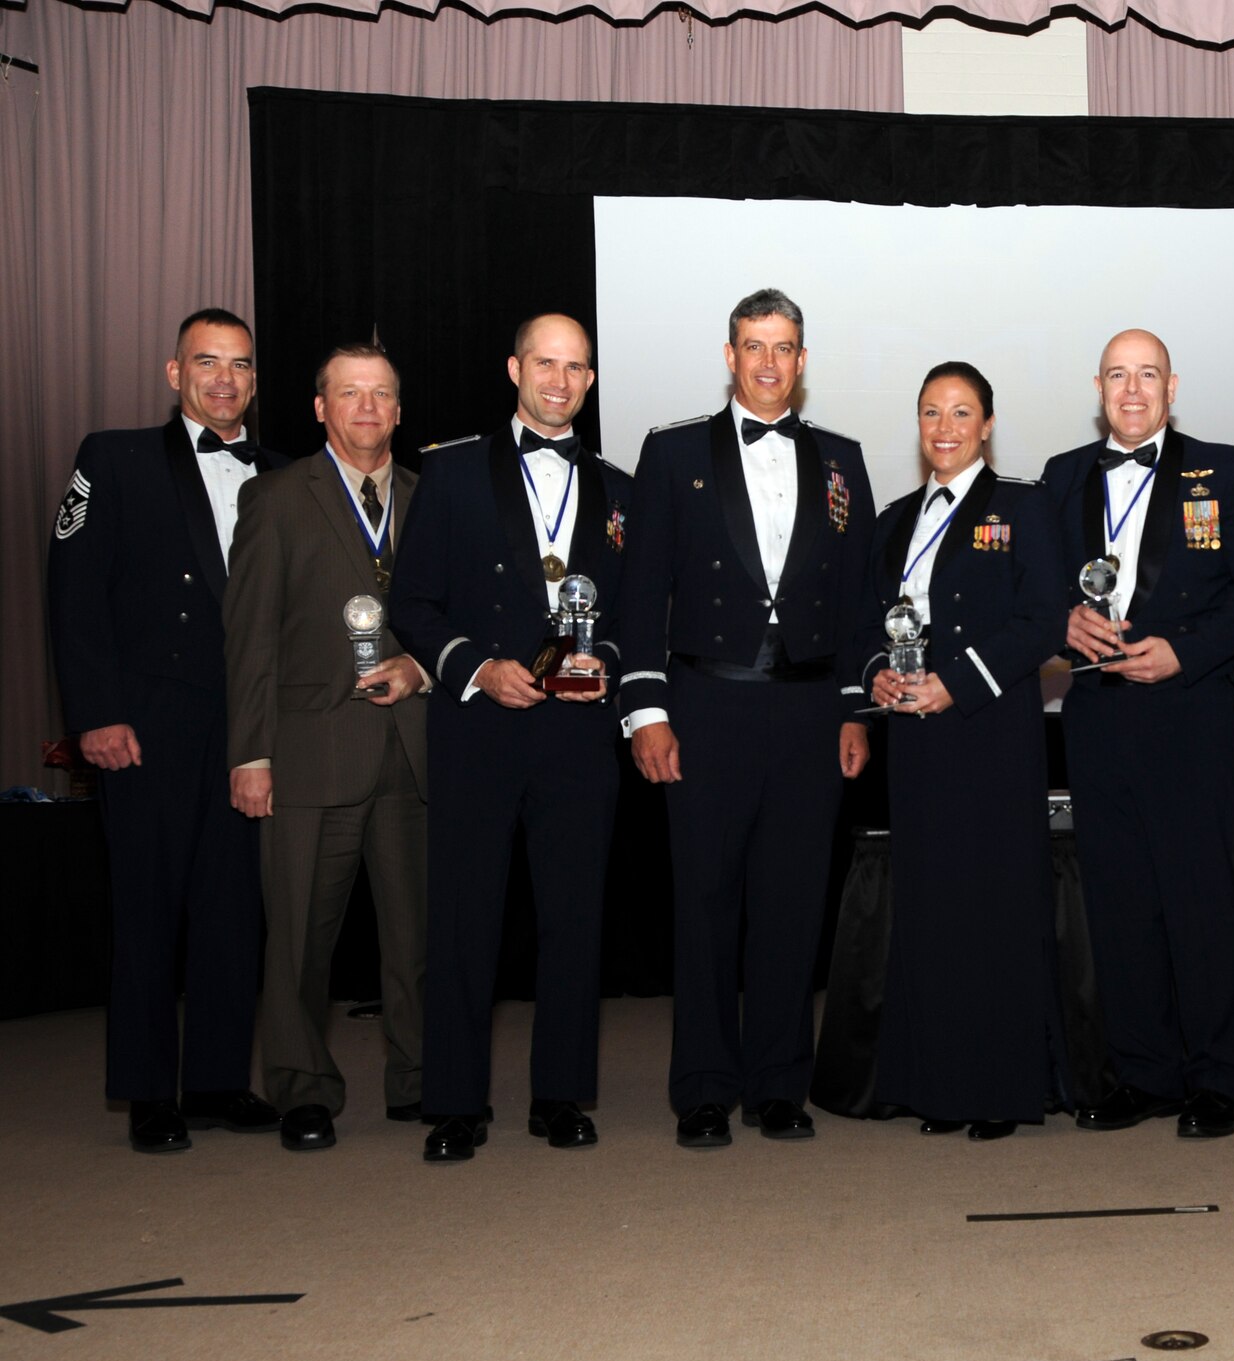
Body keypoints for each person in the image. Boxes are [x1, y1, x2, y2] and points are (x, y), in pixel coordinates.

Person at [621, 288, 877, 1150]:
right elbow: (641, 593)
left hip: (808, 712)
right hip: (705, 705)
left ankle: (777, 1085)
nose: (769, 362)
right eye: (753, 346)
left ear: (803, 361)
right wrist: (645, 709)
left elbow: (856, 606)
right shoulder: (672, 453)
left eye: (785, 347)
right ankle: (702, 1086)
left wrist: (854, 709)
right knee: (703, 900)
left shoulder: (842, 459)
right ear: (729, 355)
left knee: (791, 902)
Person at [387, 313, 631, 1161]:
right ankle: (454, 1102)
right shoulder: (450, 472)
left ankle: (560, 1095)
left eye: (576, 368)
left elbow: (633, 614)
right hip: (479, 727)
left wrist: (610, 666)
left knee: (574, 918)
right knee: (464, 918)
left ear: (590, 381)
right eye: (545, 364)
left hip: (577, 736)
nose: (560, 381)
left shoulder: (619, 487)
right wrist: (476, 667)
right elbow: (410, 604)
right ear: (514, 367)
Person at [46, 307, 283, 1153]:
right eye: (207, 362)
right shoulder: (113, 458)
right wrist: (94, 714)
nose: (225, 378)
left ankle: (218, 1080)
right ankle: (148, 1090)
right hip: (146, 721)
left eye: (241, 365)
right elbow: (74, 595)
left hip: (249, 721)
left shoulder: (282, 473)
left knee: (232, 907)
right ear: (174, 373)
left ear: (256, 380)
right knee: (147, 905)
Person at [1046, 328, 1234, 1139]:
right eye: (1118, 375)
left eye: (1147, 374)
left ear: (1172, 385)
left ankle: (1219, 1075)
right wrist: (1063, 621)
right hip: (1096, 716)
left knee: (1200, 898)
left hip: (1188, 714)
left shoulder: (1227, 469)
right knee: (1120, 901)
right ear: (1098, 385)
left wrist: (1183, 653)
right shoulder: (1062, 476)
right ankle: (1144, 1071)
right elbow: (1040, 586)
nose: (1133, 389)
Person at [222, 343, 429, 1152]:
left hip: (411, 754)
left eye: (382, 394)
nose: (368, 408)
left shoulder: (425, 496)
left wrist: (421, 669)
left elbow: (445, 619)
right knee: (301, 937)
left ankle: (418, 1078)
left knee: (416, 938)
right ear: (320, 407)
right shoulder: (274, 499)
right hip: (308, 755)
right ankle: (303, 1087)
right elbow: (250, 640)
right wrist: (251, 754)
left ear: (400, 410)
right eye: (350, 393)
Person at [858, 362, 1065, 1140]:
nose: (944, 428)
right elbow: (866, 623)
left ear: (986, 424)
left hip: (991, 737)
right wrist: (878, 676)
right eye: (930, 413)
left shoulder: (1022, 506)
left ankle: (1002, 1089)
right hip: (915, 744)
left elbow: (1045, 619)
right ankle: (939, 1087)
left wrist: (958, 682)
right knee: (932, 911)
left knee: (996, 910)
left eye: (961, 413)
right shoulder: (893, 518)